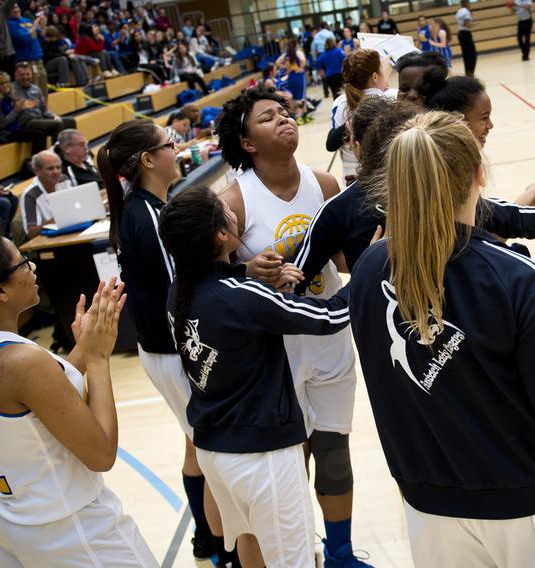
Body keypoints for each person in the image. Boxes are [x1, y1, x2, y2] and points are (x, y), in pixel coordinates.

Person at [347, 110, 535, 568]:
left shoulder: (367, 270)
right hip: (531, 506)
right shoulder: (515, 277)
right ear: (480, 173)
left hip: (429, 511)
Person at [0, 215, 159, 567]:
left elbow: (43, 395)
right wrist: (99, 358)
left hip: (10, 517)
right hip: (68, 528)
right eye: (22, 262)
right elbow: (101, 454)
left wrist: (84, 349)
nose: (32, 266)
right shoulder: (22, 361)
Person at [216, 87, 372, 568]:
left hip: (329, 337)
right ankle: (297, 548)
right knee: (289, 464)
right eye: (268, 117)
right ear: (246, 142)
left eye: (285, 112)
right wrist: (247, 273)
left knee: (334, 453)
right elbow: (210, 285)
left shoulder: (323, 184)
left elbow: (346, 261)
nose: (284, 119)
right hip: (274, 353)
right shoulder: (233, 202)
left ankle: (341, 554)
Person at [160, 184, 350, 568]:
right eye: (223, 210)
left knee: (251, 543)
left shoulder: (179, 291)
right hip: (262, 456)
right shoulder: (241, 296)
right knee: (291, 560)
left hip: (215, 450)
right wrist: (371, 271)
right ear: (219, 234)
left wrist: (259, 284)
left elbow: (237, 307)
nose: (232, 211)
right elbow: (330, 317)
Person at [298, 94, 535, 300]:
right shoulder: (436, 189)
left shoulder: (339, 210)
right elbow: (515, 218)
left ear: (357, 146)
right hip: (453, 318)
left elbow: (293, 284)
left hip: (402, 335)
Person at [96, 119, 232, 565]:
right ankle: (222, 541)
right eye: (169, 144)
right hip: (175, 352)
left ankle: (204, 535)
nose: (179, 149)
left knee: (195, 441)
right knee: (211, 448)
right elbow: (181, 293)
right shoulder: (149, 215)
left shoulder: (143, 207)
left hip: (161, 349)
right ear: (149, 159)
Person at [330, 48, 396, 180]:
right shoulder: (393, 97)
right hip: (387, 179)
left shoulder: (339, 103)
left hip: (351, 179)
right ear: (375, 77)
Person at [12, 62, 77, 140]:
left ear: (31, 74)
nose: (25, 77)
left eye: (27, 74)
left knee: (70, 121)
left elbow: (44, 110)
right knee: (56, 124)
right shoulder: (11, 91)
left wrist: (54, 116)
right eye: (22, 75)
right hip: (25, 122)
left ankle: (74, 148)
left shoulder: (36, 89)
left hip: (40, 119)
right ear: (16, 75)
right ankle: (57, 151)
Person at [20, 149, 73, 239]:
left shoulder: (64, 180)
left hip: (72, 230)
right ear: (37, 171)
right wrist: (55, 221)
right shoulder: (30, 195)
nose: (56, 172)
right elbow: (31, 232)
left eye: (58, 167)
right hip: (51, 239)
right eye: (50, 168)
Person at [8, 3, 48, 98]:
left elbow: (40, 36)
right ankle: (34, 112)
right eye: (12, 8)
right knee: (32, 91)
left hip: (38, 59)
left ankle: (44, 111)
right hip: (25, 62)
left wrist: (43, 26)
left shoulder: (27, 21)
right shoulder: (10, 24)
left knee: (43, 89)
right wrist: (34, 26)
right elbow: (23, 38)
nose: (15, 10)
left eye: (17, 7)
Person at [275, 38, 308, 123]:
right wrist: (301, 67)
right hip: (298, 76)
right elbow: (303, 60)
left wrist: (286, 67)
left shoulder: (286, 54)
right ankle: (300, 116)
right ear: (296, 44)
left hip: (290, 76)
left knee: (293, 97)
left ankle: (295, 116)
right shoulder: (298, 52)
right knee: (301, 96)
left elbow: (277, 62)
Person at [311, 22, 337, 98]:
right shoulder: (330, 33)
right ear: (326, 26)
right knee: (331, 71)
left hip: (320, 54)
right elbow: (334, 43)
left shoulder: (316, 36)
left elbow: (313, 48)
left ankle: (326, 92)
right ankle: (334, 89)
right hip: (330, 53)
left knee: (323, 74)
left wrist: (314, 58)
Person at [455, 0, 477, 75]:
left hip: (460, 33)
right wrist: (475, 24)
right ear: (466, 3)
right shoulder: (466, 12)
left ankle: (467, 72)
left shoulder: (459, 11)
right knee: (471, 55)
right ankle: (470, 73)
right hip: (466, 34)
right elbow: (467, 24)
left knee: (466, 55)